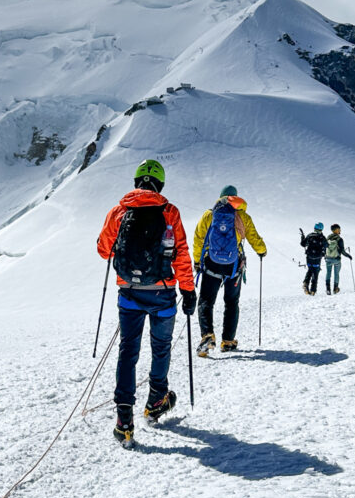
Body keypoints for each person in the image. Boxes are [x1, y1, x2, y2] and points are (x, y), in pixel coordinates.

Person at [96, 159, 195, 444]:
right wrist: (188, 291)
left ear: (136, 181)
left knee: (128, 351)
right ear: (160, 184)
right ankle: (155, 402)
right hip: (162, 293)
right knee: (160, 349)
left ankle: (124, 418)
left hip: (129, 292)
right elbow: (181, 253)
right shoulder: (169, 212)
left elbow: (104, 251)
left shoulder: (119, 210)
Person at [192, 186, 266, 354]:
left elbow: (198, 239)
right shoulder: (243, 216)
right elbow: (254, 237)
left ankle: (207, 336)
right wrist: (262, 251)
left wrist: (197, 261)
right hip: (234, 267)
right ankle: (228, 341)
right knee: (231, 303)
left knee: (206, 301)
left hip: (212, 264)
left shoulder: (209, 215)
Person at [324, 223, 352, 294]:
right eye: (339, 229)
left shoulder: (328, 238)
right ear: (336, 230)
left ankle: (328, 289)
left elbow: (325, 248)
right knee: (336, 274)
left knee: (328, 273)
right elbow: (342, 251)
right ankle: (335, 289)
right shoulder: (339, 239)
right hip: (336, 259)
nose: (340, 230)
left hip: (328, 259)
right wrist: (348, 256)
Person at [300, 223, 327, 295]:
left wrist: (302, 237)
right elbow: (326, 246)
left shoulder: (310, 236)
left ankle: (306, 283)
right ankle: (313, 290)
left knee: (310, 270)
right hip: (317, 258)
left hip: (309, 257)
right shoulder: (323, 238)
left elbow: (303, 244)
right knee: (316, 272)